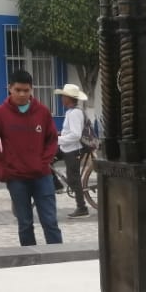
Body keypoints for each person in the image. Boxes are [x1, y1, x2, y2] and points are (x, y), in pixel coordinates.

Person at [0, 69, 62, 246]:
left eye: (26, 90)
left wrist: (43, 162)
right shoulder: (0, 114)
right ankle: (30, 263)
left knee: (50, 222)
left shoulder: (42, 112)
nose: (22, 94)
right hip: (16, 179)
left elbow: (52, 140)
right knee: (25, 224)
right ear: (10, 88)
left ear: (31, 90)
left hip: (42, 176)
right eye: (18, 90)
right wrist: (1, 172)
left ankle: (59, 259)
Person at [53, 82, 92, 218]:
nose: (62, 99)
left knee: (74, 178)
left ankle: (82, 208)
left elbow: (76, 135)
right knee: (45, 159)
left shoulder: (75, 113)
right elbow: (69, 131)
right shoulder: (70, 112)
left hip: (73, 150)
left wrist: (58, 140)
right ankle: (57, 186)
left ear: (70, 99)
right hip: (65, 148)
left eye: (64, 96)